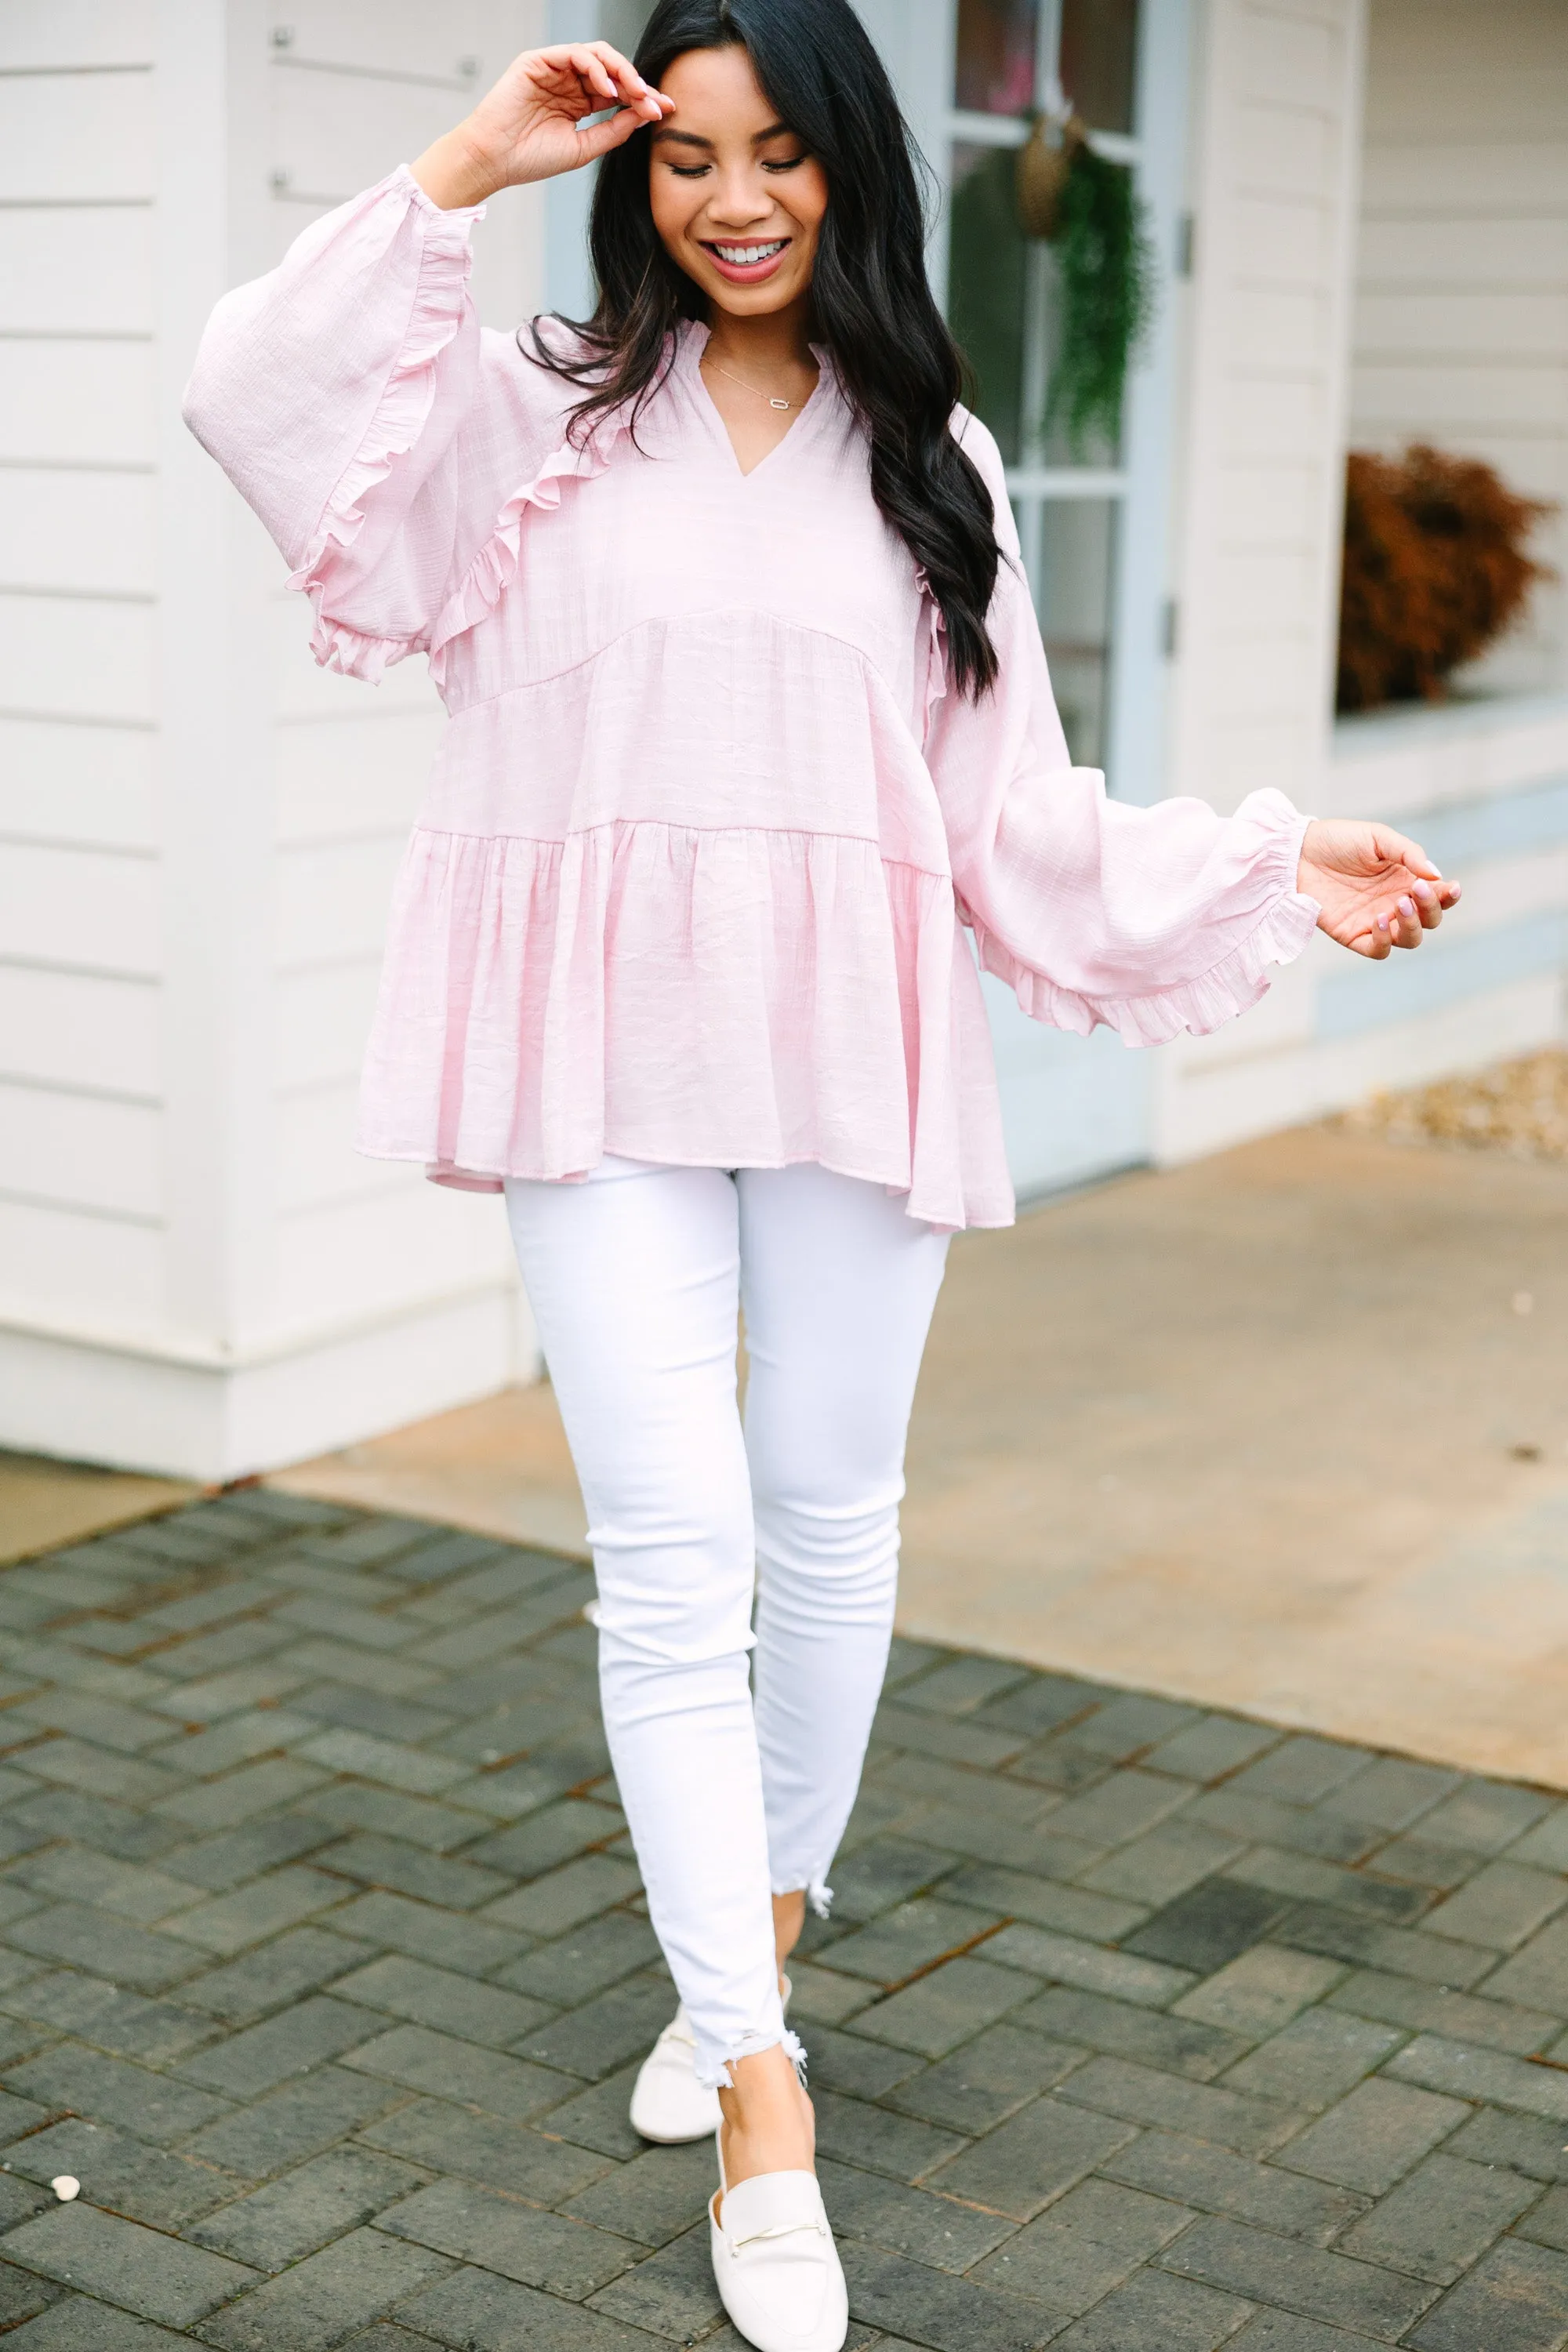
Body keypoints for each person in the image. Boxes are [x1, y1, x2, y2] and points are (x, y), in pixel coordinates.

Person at [183, 5, 1458, 2345]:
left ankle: (740, 1946)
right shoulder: (535, 421)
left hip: (850, 1053)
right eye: (692, 159)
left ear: (857, 171)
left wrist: (1277, 857)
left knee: (828, 1524)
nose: (736, 200)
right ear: (638, 179)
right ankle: (766, 2099)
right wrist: (469, 158)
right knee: (671, 1562)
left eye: (783, 155)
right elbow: (250, 396)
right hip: (603, 1064)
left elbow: (1021, 827)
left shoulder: (930, 453)